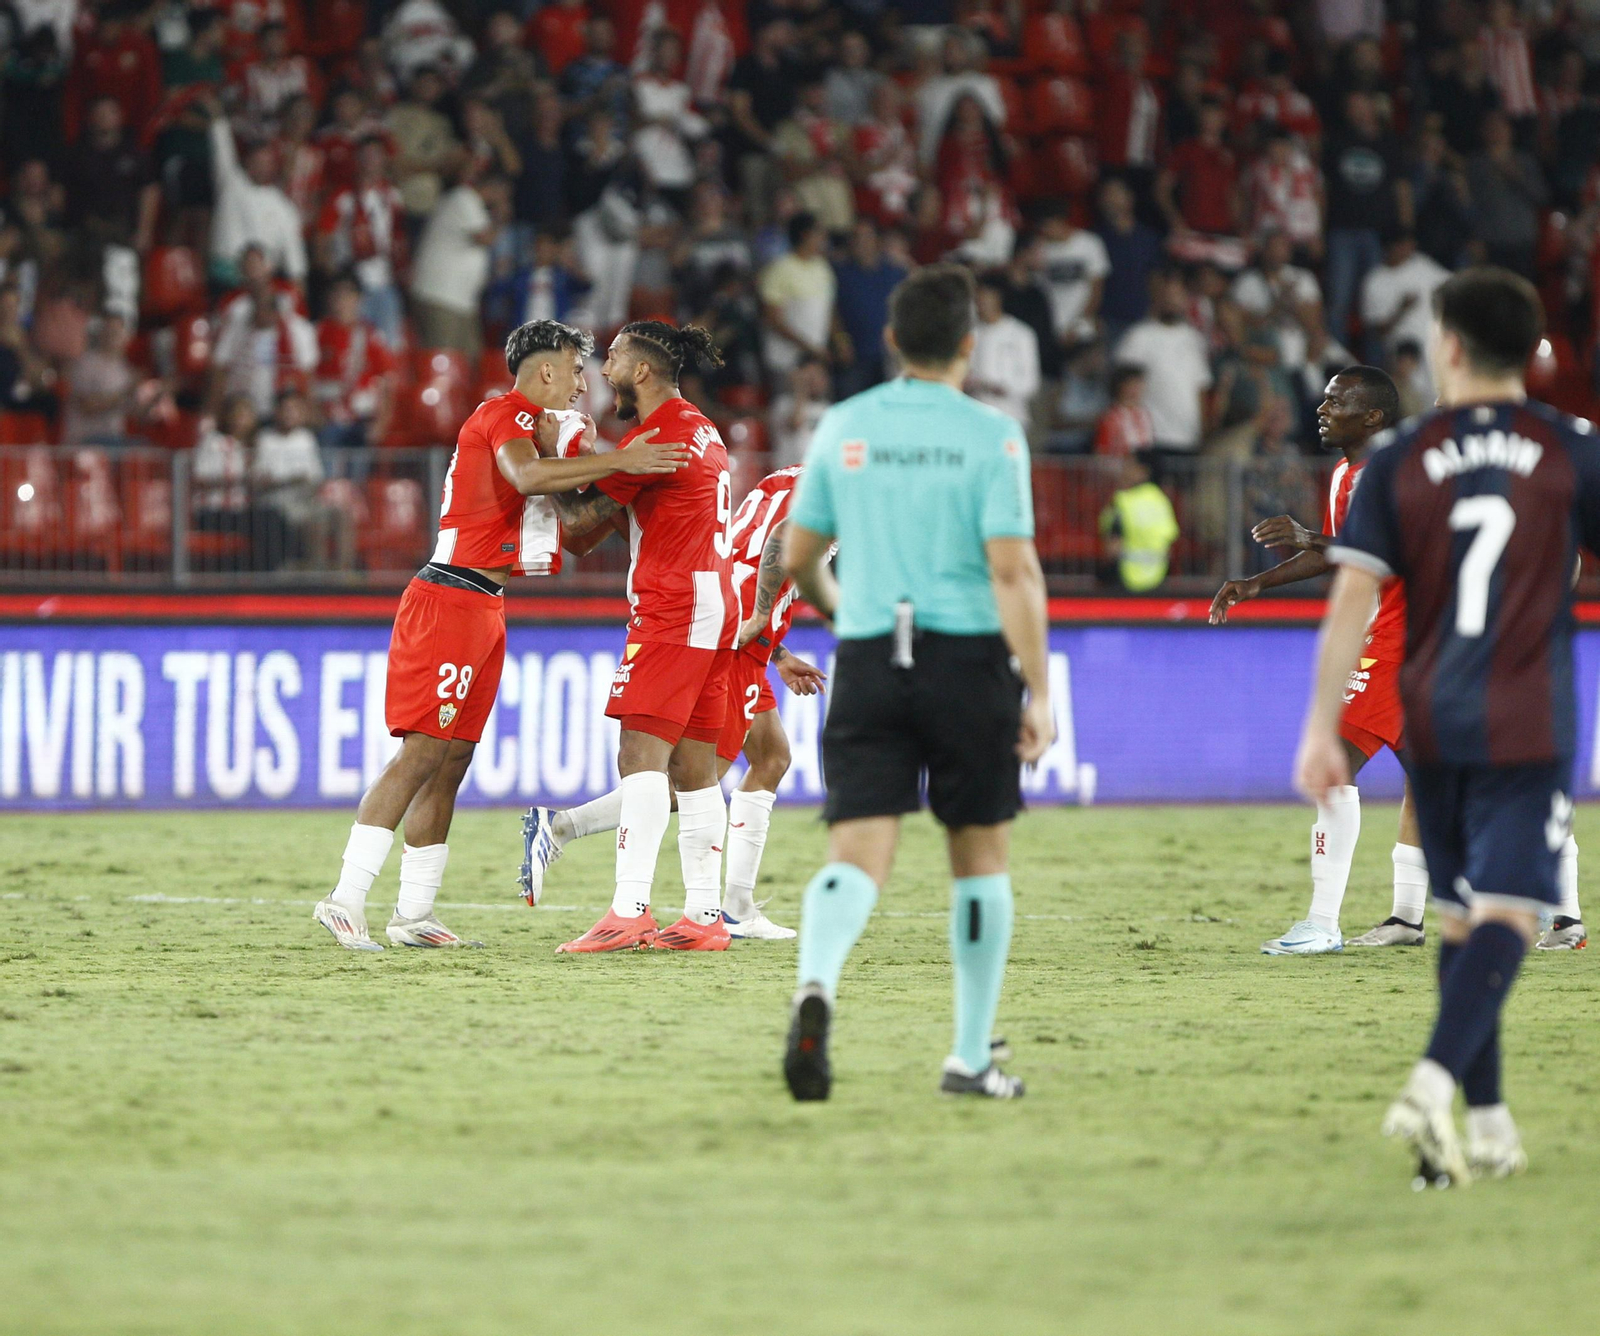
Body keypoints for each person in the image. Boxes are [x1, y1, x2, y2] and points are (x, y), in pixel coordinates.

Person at [1294, 268, 1600, 1186]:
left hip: (1429, 701)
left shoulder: (1399, 457)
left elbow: (1353, 594)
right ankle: (1432, 1085)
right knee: (1509, 910)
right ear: (1533, 353)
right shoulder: (1572, 448)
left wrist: (1319, 724)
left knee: (1464, 917)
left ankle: (1492, 1124)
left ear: (1450, 347)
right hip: (1526, 705)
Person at [312, 320, 691, 952]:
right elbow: (525, 478)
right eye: (576, 370)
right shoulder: (504, 414)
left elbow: (567, 519)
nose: (582, 384)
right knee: (422, 753)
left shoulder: (536, 428)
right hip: (448, 597)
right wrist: (620, 461)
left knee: (451, 762)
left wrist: (607, 473)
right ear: (547, 369)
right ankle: (345, 898)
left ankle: (413, 912)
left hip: (484, 604)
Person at [778, 265, 1054, 1101]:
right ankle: (969, 1057)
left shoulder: (844, 423)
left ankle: (816, 985)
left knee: (857, 851)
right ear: (970, 344)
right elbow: (1013, 572)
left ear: (891, 339)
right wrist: (1038, 691)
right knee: (978, 855)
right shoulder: (994, 435)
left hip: (870, 656)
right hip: (966, 659)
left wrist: (842, 611)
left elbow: (799, 557)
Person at [519, 462, 830, 940]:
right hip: (741, 627)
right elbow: (782, 540)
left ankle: (737, 908)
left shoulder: (788, 477)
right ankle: (561, 827)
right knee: (697, 779)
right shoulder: (847, 483)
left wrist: (780, 652)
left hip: (734, 613)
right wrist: (762, 618)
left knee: (771, 755)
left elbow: (747, 548)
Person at [1211, 367, 1461, 951]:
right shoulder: (1346, 475)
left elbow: (1392, 554)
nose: (1321, 410)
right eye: (1323, 400)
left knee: (1334, 767)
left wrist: (1310, 538)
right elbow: (1337, 553)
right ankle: (1414, 918)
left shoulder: (1397, 472)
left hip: (1405, 636)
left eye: (1336, 401)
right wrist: (1257, 583)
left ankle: (1322, 923)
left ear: (1372, 416)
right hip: (1409, 638)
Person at [552, 322, 743, 955]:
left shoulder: (656, 437)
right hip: (715, 603)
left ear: (641, 371)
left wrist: (555, 461)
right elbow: (605, 527)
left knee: (639, 755)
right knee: (694, 770)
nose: (603, 372)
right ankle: (704, 916)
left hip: (675, 606)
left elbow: (578, 525)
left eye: (611, 358)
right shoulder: (701, 427)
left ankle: (628, 911)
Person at [966, 270, 1040, 431]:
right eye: (977, 297)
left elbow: (1031, 383)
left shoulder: (1021, 333)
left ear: (998, 297)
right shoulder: (972, 334)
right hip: (977, 417)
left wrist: (1003, 387)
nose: (981, 302)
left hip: (1011, 417)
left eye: (985, 296)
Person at [1098, 451, 1177, 592]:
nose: (1123, 470)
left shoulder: (1123, 501)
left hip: (1124, 581)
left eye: (1129, 465)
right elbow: (1170, 543)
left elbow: (1113, 548)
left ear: (1143, 471)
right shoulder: (1162, 501)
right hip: (1157, 579)